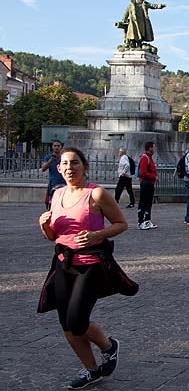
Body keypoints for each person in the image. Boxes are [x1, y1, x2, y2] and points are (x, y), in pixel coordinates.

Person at [37, 147, 136, 389]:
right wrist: (43, 226)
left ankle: (108, 346)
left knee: (77, 321)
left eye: (75, 163)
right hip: (62, 263)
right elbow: (53, 236)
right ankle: (92, 370)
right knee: (66, 324)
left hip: (90, 265)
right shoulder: (57, 194)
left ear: (84, 166)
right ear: (58, 168)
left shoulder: (97, 194)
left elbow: (122, 224)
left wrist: (96, 235)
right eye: (65, 164)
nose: (70, 168)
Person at [137, 142, 158, 230]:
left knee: (148, 202)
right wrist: (153, 177)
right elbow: (143, 172)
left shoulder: (149, 157)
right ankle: (141, 221)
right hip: (146, 183)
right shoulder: (145, 158)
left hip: (149, 183)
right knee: (144, 202)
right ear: (149, 148)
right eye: (153, 147)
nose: (154, 149)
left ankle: (147, 220)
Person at [41, 140, 66, 210]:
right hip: (53, 185)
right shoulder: (48, 157)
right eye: (55, 146)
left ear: (61, 147)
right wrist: (50, 161)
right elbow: (43, 168)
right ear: (52, 147)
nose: (56, 147)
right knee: (52, 205)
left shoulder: (64, 157)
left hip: (65, 184)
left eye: (58, 146)